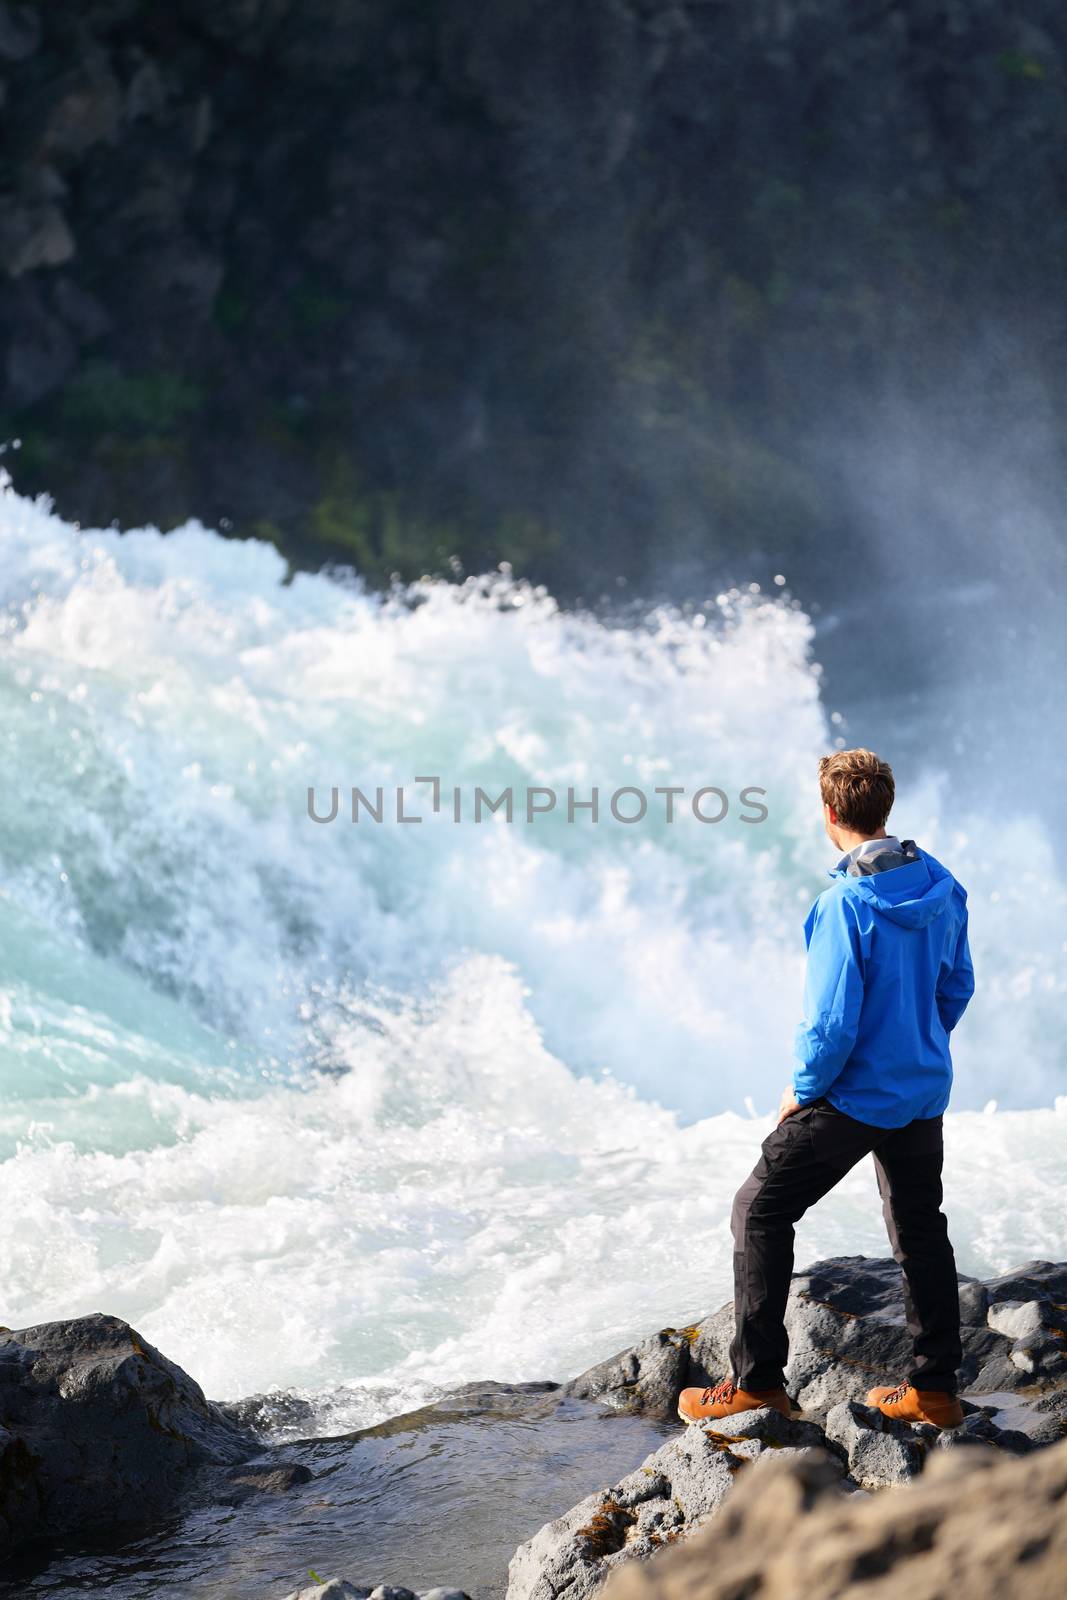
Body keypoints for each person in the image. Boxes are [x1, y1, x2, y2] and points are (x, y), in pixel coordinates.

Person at [678, 748, 975, 1429]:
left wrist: (802, 1089)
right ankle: (934, 1388)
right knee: (919, 1229)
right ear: (883, 808)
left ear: (830, 813)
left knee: (757, 1210)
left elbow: (831, 1022)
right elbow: (955, 986)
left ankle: (755, 1383)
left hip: (852, 1098)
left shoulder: (842, 904)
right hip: (921, 1090)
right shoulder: (941, 883)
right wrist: (916, 1046)